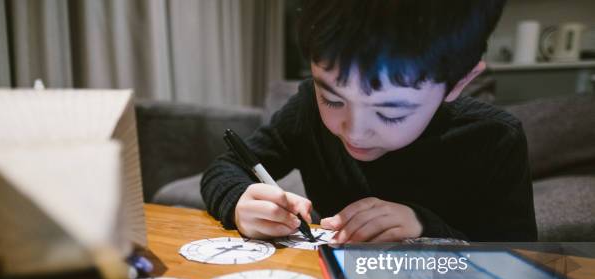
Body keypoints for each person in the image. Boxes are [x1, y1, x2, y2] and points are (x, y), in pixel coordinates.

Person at [201, 0, 537, 243]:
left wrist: (426, 226)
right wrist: (238, 201)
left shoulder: (494, 139)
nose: (355, 131)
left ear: (460, 81)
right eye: (332, 98)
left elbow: (521, 266)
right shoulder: (306, 108)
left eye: (391, 112)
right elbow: (227, 166)